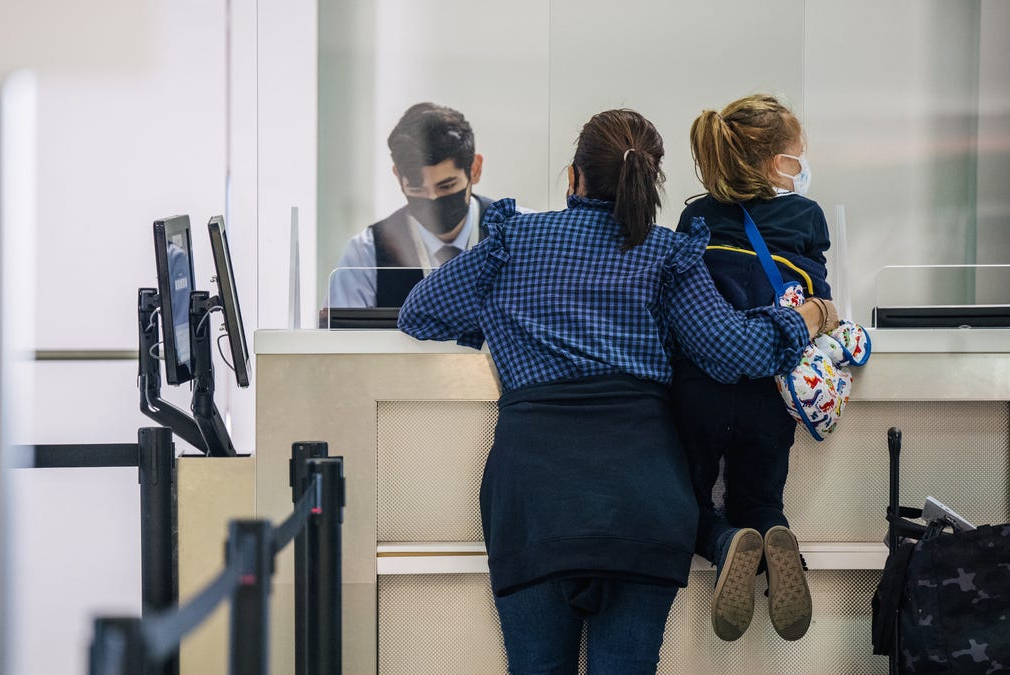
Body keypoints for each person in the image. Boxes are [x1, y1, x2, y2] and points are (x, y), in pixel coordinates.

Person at [398, 108, 837, 674]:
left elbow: (421, 312)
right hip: (644, 500)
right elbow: (737, 353)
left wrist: (499, 317)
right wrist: (809, 316)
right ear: (650, 183)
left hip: (535, 500)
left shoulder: (516, 243)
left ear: (574, 177)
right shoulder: (665, 255)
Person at [671, 93, 832, 643]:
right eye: (796, 156)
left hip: (699, 391)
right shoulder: (806, 216)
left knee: (685, 502)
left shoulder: (696, 217)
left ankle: (723, 542)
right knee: (760, 496)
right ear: (772, 163)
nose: (803, 165)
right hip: (771, 390)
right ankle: (771, 530)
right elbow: (820, 297)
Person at [326, 102, 495, 310]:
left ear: (475, 169)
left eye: (447, 186)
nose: (432, 198)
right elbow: (341, 340)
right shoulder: (366, 254)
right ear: (398, 176)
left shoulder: (522, 237)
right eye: (417, 189)